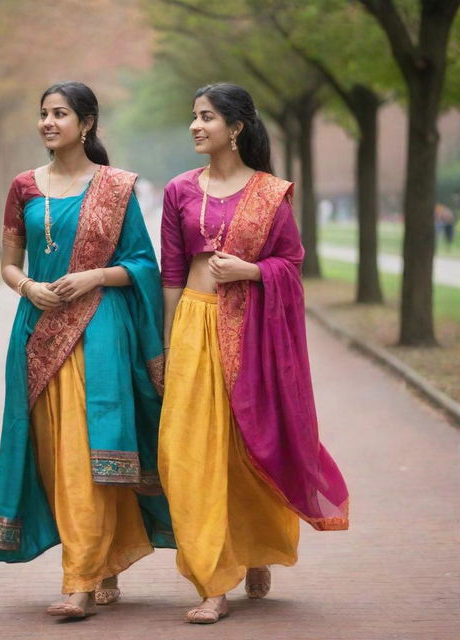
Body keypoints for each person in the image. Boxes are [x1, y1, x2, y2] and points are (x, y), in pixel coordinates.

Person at [158, 82, 349, 624]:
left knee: (248, 443)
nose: (196, 126)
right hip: (194, 323)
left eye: (207, 118)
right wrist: (167, 344)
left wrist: (250, 271)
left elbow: (291, 263)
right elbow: (172, 273)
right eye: (193, 117)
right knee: (186, 450)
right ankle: (213, 579)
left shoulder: (270, 193)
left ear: (235, 127)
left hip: (252, 333)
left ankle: (256, 547)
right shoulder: (179, 190)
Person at [0, 81, 172, 620]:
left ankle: (82, 580)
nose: (48, 122)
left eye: (60, 113)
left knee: (93, 453)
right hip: (37, 331)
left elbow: (143, 264)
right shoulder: (24, 186)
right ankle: (101, 561)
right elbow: (9, 264)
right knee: (54, 452)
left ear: (86, 123)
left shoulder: (115, 188)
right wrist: (27, 287)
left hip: (100, 332)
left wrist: (94, 276)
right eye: (43, 113)